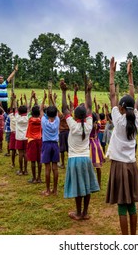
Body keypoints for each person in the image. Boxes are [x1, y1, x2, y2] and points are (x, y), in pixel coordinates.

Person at [105, 57, 138, 235]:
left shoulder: (118, 119)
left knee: (122, 205)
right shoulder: (135, 120)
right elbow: (132, 99)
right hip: (131, 166)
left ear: (120, 108)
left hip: (119, 166)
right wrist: (130, 76)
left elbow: (113, 95)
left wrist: (112, 73)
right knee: (132, 204)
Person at [61, 79, 100, 220]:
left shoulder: (72, 125)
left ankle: (78, 213)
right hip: (85, 159)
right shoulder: (88, 125)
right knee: (87, 186)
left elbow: (65, 109)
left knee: (78, 188)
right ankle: (85, 212)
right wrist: (88, 92)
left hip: (74, 159)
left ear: (75, 116)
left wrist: (64, 92)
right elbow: (89, 108)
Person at [40, 90, 60, 196]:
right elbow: (57, 111)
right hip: (55, 144)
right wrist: (52, 99)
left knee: (47, 168)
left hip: (46, 144)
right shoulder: (57, 120)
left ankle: (48, 190)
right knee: (55, 168)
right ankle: (55, 190)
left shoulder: (44, 120)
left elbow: (40, 110)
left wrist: (44, 98)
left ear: (47, 114)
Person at [25, 91, 42, 184]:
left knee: (32, 161)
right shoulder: (41, 119)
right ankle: (39, 177)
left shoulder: (30, 119)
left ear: (32, 113)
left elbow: (28, 109)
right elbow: (40, 110)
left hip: (31, 141)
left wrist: (31, 98)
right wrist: (36, 99)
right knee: (39, 160)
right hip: (39, 140)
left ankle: (34, 178)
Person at [90, 97, 105, 188]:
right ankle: (99, 183)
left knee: (90, 165)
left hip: (90, 145)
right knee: (98, 165)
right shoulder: (98, 124)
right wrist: (95, 104)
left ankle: (91, 183)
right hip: (97, 143)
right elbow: (98, 116)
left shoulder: (89, 126)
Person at [15, 94, 29, 176]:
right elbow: (28, 108)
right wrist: (26, 99)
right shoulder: (28, 118)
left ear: (19, 112)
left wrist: (14, 100)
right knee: (26, 153)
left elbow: (16, 109)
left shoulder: (17, 117)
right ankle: (26, 170)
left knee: (20, 154)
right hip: (26, 137)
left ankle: (21, 170)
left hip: (19, 138)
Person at [8, 93, 17, 168]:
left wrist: (12, 100)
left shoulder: (11, 117)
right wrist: (14, 100)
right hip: (20, 134)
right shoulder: (20, 117)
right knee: (23, 151)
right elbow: (14, 109)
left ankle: (13, 163)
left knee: (13, 150)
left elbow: (10, 109)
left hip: (13, 134)